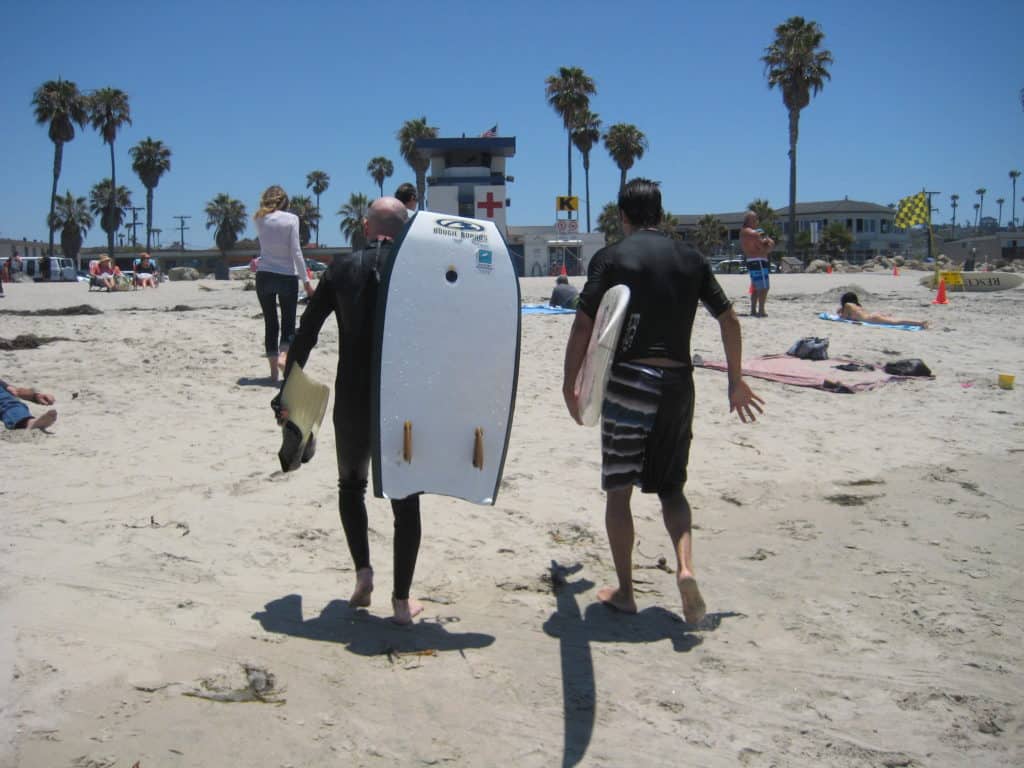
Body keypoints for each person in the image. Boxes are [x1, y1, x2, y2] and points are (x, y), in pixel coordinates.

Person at [562, 178, 764, 624]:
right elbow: (729, 319)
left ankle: (627, 592)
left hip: (630, 381)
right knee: (672, 489)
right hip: (678, 384)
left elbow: (583, 326)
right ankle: (686, 568)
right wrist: (736, 381)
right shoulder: (690, 259)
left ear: (623, 216)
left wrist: (570, 383)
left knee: (619, 493)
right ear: (661, 213)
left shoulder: (611, 257)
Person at [274, 197, 423, 625]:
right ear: (405, 228)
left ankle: (363, 575)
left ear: (364, 226)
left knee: (350, 486)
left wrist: (289, 390)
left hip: (353, 397)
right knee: (406, 500)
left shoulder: (341, 270)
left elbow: (305, 335)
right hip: (403, 398)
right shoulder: (417, 270)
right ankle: (401, 603)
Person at [253, 185, 315, 383]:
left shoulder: (259, 218)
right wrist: (306, 280)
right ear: (285, 202)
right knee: (288, 322)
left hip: (264, 275)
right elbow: (296, 251)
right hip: (286, 276)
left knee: (271, 322)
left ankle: (273, 373)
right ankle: (283, 356)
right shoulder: (291, 219)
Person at [740, 211, 775, 317]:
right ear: (749, 221)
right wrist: (770, 242)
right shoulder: (753, 233)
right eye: (755, 219)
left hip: (751, 260)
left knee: (755, 286)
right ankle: (761, 310)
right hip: (759, 260)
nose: (757, 222)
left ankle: (753, 310)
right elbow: (765, 249)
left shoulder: (743, 232)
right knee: (764, 287)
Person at [838, 292, 929, 328]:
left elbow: (843, 317)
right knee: (896, 321)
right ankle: (919, 322)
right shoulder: (857, 306)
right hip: (873, 315)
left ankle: (920, 323)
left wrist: (839, 312)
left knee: (896, 322)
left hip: (872, 318)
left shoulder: (847, 305)